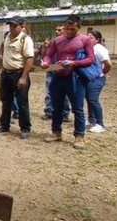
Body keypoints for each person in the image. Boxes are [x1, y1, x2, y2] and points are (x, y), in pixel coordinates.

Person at [40, 15, 94, 149]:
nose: (69, 32)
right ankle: (56, 132)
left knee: (77, 108)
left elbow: (90, 59)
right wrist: (46, 62)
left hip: (75, 78)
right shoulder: (57, 40)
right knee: (56, 107)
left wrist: (74, 63)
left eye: (73, 29)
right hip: (58, 76)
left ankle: (79, 136)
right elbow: (48, 54)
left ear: (78, 27)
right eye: (67, 29)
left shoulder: (85, 40)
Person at [0, 16, 35, 139]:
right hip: (6, 73)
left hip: (18, 74)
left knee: (22, 102)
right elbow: (2, 49)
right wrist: (3, 59)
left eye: (15, 26)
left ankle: (25, 128)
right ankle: (4, 124)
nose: (12, 28)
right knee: (5, 100)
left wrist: (23, 77)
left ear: (22, 26)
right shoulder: (7, 36)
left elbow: (30, 59)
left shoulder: (25, 39)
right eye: (10, 25)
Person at [42, 25, 71, 120]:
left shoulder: (68, 42)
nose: (57, 32)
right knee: (49, 91)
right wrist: (46, 47)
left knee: (65, 93)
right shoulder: (52, 42)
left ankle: (65, 113)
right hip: (51, 69)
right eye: (56, 30)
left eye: (60, 30)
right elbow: (46, 56)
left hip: (62, 69)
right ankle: (49, 111)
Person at [86, 30, 112, 133]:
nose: (88, 39)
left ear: (97, 39)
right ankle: (91, 120)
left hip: (97, 78)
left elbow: (108, 63)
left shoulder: (99, 49)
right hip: (90, 77)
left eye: (91, 37)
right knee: (89, 99)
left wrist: (103, 72)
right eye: (87, 37)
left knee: (93, 99)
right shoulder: (90, 48)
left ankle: (100, 123)